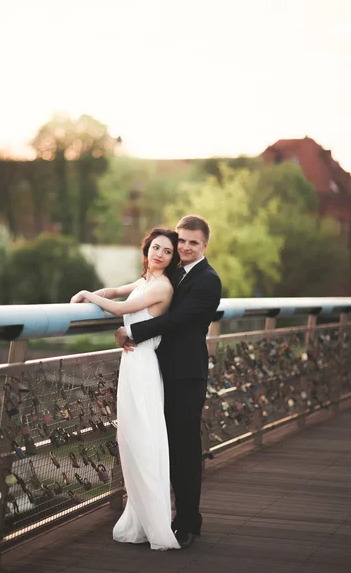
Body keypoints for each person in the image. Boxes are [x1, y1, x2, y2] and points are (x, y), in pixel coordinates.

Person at [71, 227, 181, 551]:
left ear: (172, 259)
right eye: (156, 248)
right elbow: (117, 291)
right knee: (130, 437)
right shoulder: (145, 281)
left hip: (144, 364)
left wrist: (87, 295)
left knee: (145, 440)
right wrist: (95, 293)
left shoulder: (162, 286)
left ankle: (157, 524)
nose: (160, 254)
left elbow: (119, 311)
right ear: (146, 249)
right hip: (131, 363)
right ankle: (141, 518)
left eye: (167, 251)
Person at [115, 215, 221, 548]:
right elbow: (139, 291)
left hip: (185, 375)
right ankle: (152, 514)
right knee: (155, 443)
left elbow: (178, 320)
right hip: (155, 371)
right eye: (182, 241)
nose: (186, 247)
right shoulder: (171, 271)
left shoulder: (208, 280)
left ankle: (188, 521)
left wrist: (130, 331)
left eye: (193, 242)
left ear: (204, 245)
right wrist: (93, 295)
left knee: (184, 449)